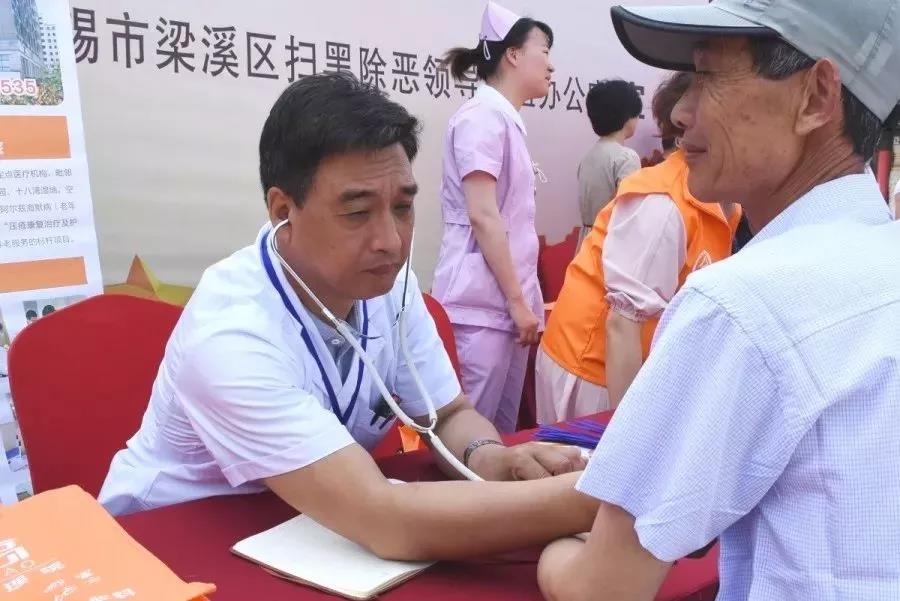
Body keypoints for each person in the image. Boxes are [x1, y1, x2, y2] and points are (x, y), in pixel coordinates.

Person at [99, 72, 595, 561]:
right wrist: (598, 498)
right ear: (282, 209)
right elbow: (387, 521)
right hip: (170, 543)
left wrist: (491, 458)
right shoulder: (230, 335)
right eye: (357, 213)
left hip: (305, 525)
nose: (391, 241)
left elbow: (446, 416)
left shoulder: (388, 285)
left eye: (402, 208)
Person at [538, 1, 900, 599]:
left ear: (815, 97)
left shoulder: (744, 303)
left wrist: (555, 554)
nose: (681, 112)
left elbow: (599, 587)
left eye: (708, 77)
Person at [536, 71, 739, 422]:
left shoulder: (728, 202)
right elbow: (622, 326)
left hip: (635, 366)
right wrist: (630, 433)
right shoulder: (662, 202)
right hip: (593, 369)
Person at [430, 1, 553, 432]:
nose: (551, 66)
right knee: (472, 437)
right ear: (513, 55)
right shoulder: (482, 118)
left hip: (503, 309)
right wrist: (518, 303)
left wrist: (523, 303)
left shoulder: (503, 119)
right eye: (544, 51)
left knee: (501, 434)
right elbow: (483, 215)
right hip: (480, 308)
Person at [576, 80, 642, 247]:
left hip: (586, 240)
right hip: (610, 240)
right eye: (637, 115)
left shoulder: (588, 157)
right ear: (628, 117)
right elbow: (629, 212)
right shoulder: (627, 157)